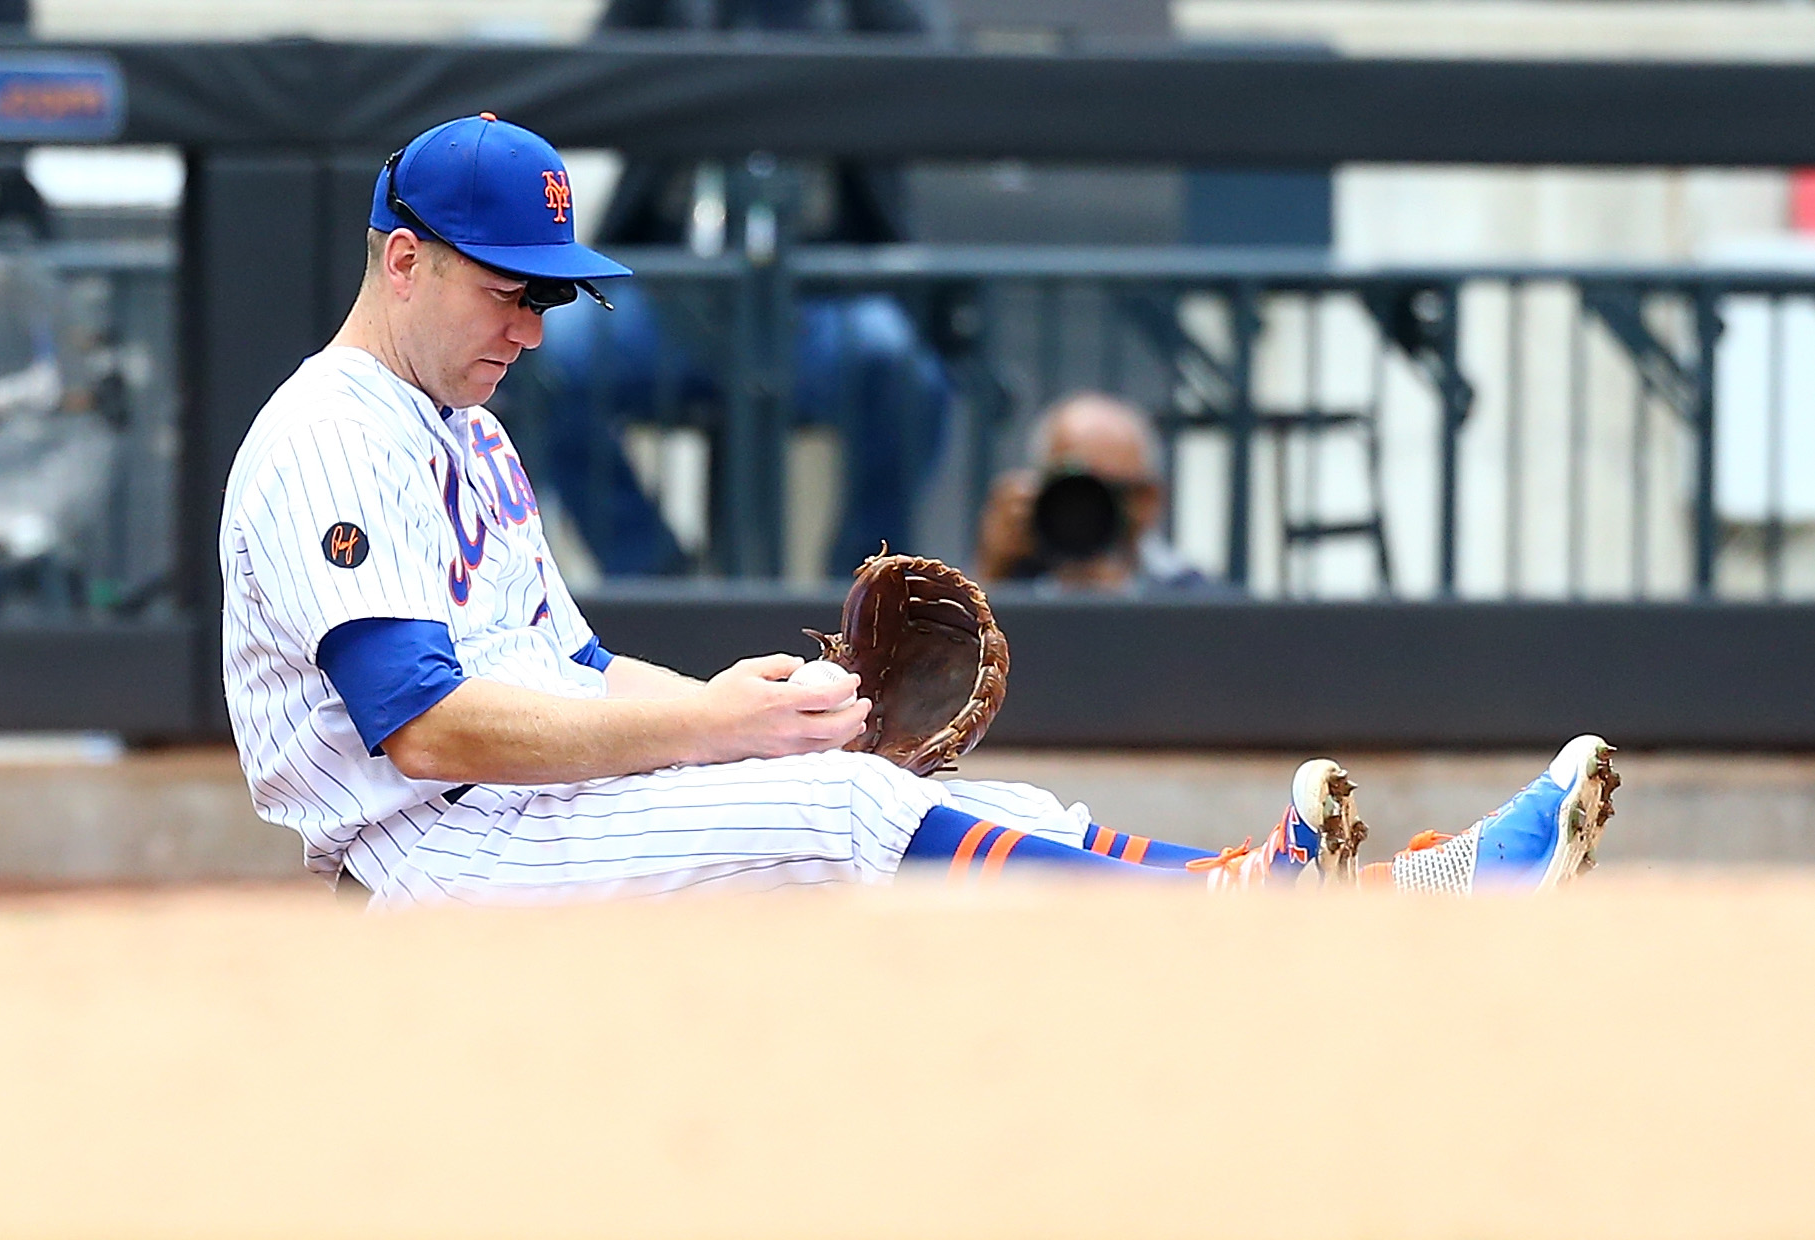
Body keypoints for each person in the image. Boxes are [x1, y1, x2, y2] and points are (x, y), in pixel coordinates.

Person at [220, 115, 1619, 908]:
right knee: (841, 812)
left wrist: (748, 698)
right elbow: (427, 722)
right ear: (401, 262)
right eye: (509, 288)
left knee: (912, 793)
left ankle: (1330, 902)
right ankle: (1245, 914)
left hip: (528, 811)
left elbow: (574, 675)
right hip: (432, 853)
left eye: (550, 293)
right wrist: (719, 730)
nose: (535, 321)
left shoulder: (468, 435)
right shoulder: (330, 438)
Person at [516, 0, 951, 577]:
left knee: (905, 377)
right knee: (547, 356)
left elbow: (935, 71)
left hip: (825, 295)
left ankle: (860, 591)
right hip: (672, 289)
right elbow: (589, 76)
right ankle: (656, 578)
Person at [976, 392, 1208, 593]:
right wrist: (992, 571)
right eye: (1070, 489)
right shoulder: (1012, 580)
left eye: (1107, 491)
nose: (1084, 511)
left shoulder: (1191, 599)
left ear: (1147, 499)